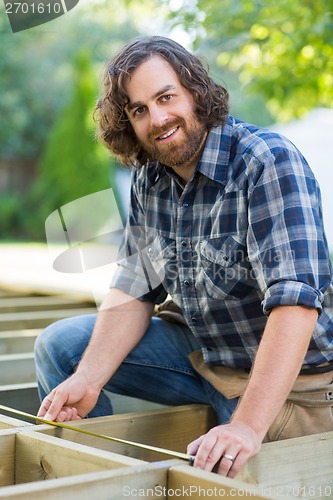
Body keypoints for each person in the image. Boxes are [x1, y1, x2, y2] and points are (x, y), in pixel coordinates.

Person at [35, 35, 333, 478]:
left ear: (195, 90)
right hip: (206, 357)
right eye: (139, 110)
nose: (157, 118)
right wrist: (90, 378)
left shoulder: (266, 161)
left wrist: (247, 427)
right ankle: (95, 481)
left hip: (289, 381)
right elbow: (134, 287)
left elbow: (295, 304)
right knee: (63, 350)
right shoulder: (149, 179)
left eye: (165, 97)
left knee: (236, 474)